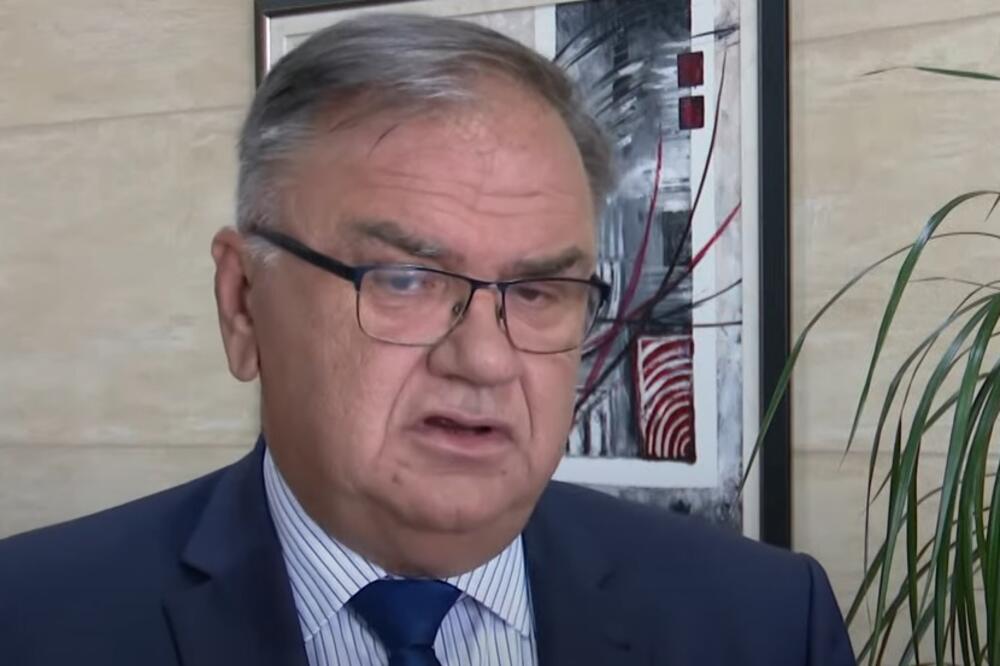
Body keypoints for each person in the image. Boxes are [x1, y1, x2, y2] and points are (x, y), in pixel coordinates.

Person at [0, 13, 855, 666]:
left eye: (538, 291)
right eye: (405, 280)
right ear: (244, 304)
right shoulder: (31, 621)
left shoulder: (768, 623)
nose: (484, 361)